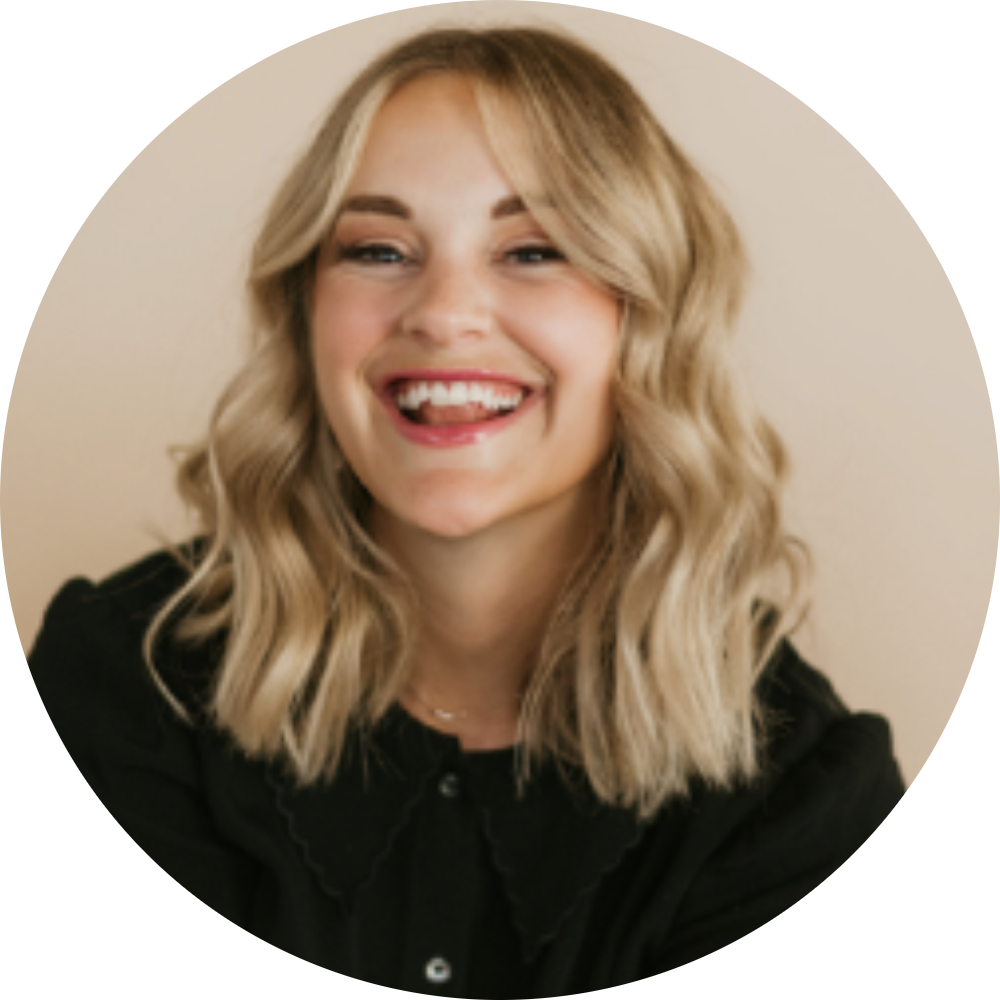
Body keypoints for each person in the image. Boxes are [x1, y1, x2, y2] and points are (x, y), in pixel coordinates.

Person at [28, 26, 904, 998]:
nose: (443, 313)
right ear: (304, 314)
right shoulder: (115, 689)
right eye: (377, 248)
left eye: (532, 248)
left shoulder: (798, 795)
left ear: (645, 321)